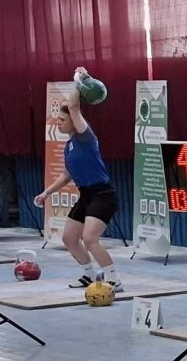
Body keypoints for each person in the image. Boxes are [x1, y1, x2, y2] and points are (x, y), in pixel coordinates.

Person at [34, 87, 122, 292]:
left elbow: (73, 106)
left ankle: (114, 279)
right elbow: (67, 175)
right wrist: (46, 193)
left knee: (90, 239)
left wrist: (78, 81)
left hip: (102, 194)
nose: (58, 122)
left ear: (74, 121)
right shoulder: (69, 146)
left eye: (62, 120)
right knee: (69, 239)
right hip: (86, 196)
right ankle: (89, 274)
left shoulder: (85, 137)